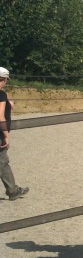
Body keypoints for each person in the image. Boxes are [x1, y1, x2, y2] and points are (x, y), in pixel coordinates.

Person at [0, 67, 29, 201]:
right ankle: (12, 190)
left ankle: (12, 189)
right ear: (5, 79)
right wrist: (6, 134)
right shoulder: (1, 95)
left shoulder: (2, 96)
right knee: (2, 161)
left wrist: (6, 102)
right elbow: (0, 117)